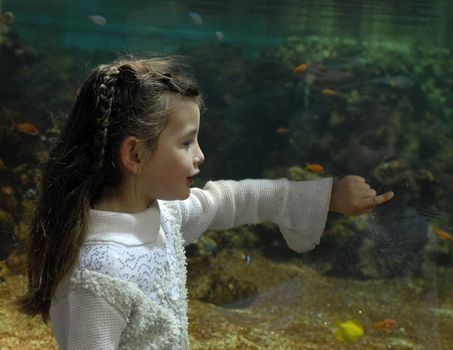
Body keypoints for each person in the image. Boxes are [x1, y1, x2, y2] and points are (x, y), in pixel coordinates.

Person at [16, 55, 394, 349]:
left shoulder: (163, 214)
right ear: (134, 154)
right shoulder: (96, 279)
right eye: (186, 142)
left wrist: (328, 196)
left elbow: (234, 199)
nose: (200, 156)